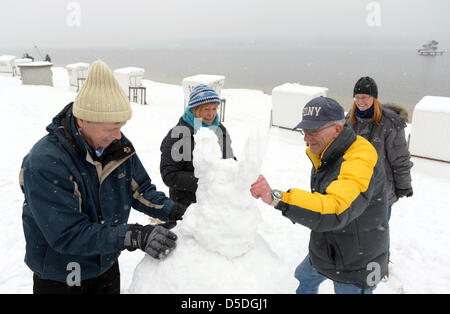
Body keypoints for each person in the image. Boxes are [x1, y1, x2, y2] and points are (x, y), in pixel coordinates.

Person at [19, 60, 186, 294]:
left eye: (121, 126)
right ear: (82, 120)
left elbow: (141, 190)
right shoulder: (46, 163)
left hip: (105, 266)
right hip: (61, 275)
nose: (118, 135)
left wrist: (177, 212)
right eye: (111, 128)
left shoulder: (117, 147)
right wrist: (134, 235)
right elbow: (68, 233)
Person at [250, 96, 389, 294]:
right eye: (304, 131)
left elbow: (335, 208)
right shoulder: (326, 152)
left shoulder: (360, 158)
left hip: (356, 263)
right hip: (327, 249)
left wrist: (278, 198)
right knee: (301, 281)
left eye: (313, 131)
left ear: (337, 129)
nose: (307, 138)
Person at [348, 76, 413, 221]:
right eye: (357, 97)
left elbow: (399, 158)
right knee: (355, 236)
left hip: (381, 191)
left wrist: (404, 185)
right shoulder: (350, 120)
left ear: (374, 98)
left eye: (364, 97)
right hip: (354, 190)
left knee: (378, 236)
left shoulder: (390, 123)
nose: (360, 102)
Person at [160, 84, 235, 207]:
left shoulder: (220, 130)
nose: (211, 114)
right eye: (206, 109)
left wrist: (237, 171)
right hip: (187, 207)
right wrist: (205, 181)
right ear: (195, 110)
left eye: (214, 109)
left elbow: (229, 159)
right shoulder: (178, 134)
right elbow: (169, 175)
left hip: (218, 202)